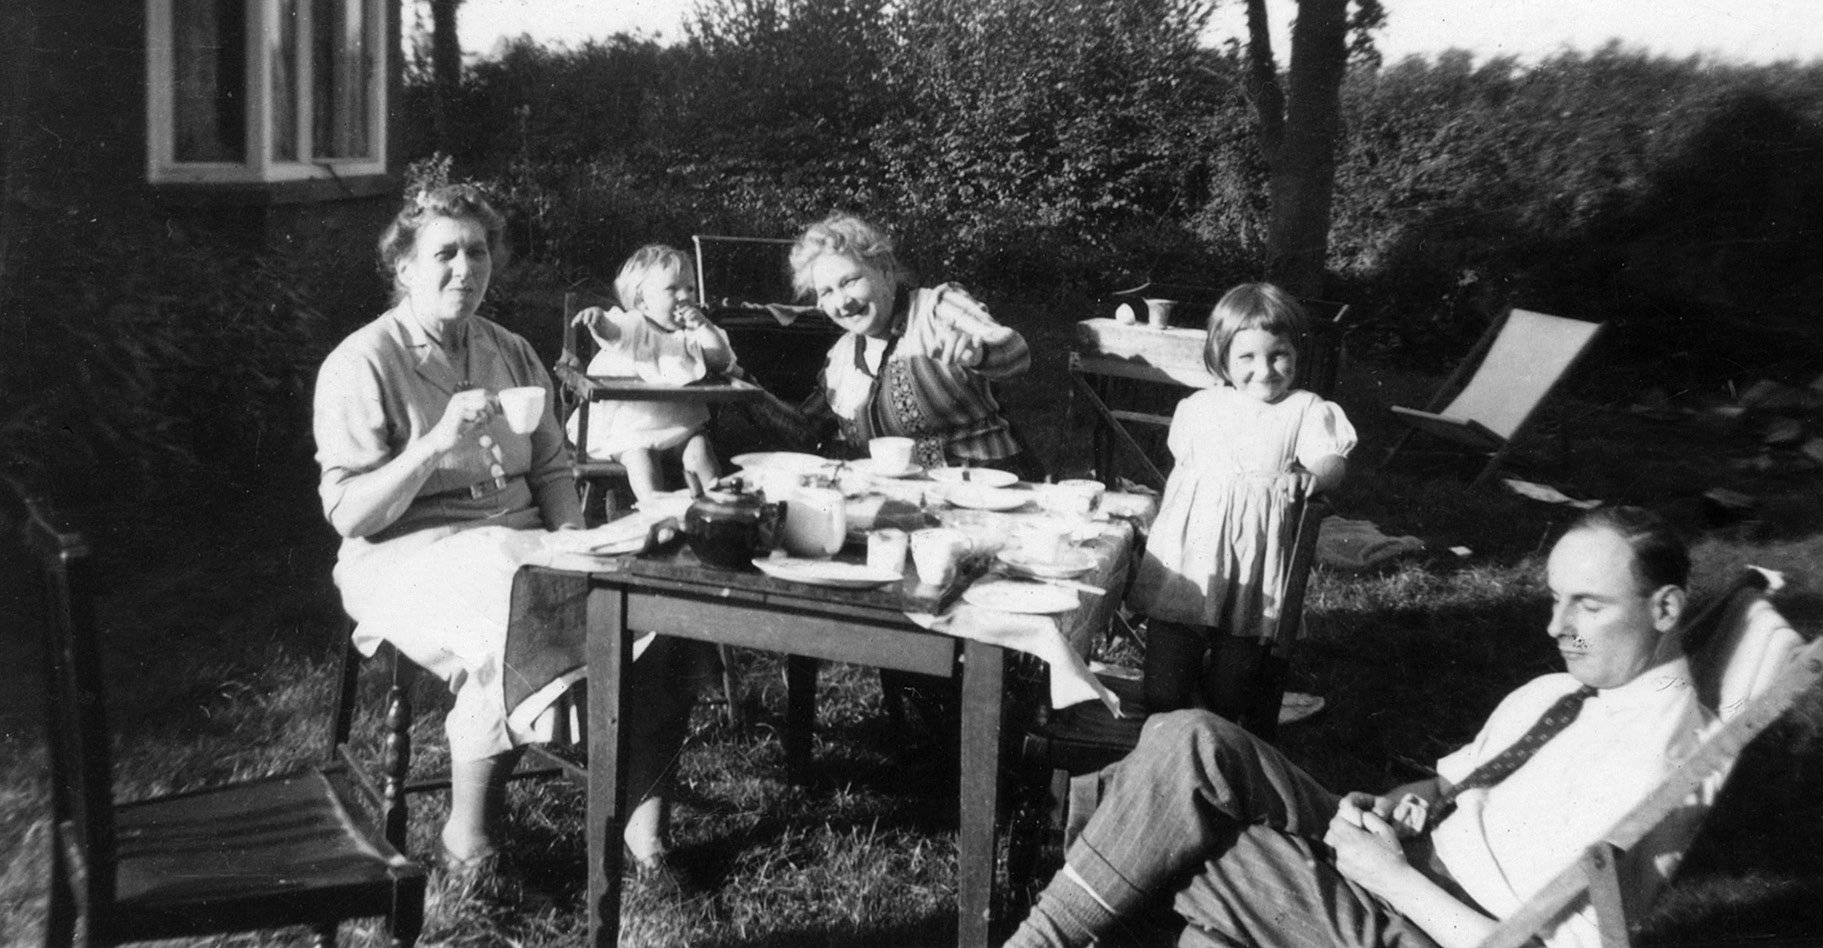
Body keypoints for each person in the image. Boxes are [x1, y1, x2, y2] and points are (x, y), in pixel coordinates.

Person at [1007, 505, 1714, 948]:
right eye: (1556, 600)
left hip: (1425, 926)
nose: (1557, 627)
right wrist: (1400, 805)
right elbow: (1448, 781)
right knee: (1190, 738)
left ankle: (1045, 922)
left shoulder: (1654, 766)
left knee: (1173, 828)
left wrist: (1388, 876)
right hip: (1398, 866)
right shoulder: (1564, 689)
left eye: (1587, 606)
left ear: (1665, 609)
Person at [313, 185, 704, 892]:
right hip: (405, 552)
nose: (465, 267)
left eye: (478, 250)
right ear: (403, 267)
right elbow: (349, 514)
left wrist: (575, 545)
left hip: (521, 539)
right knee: (517, 602)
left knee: (665, 603)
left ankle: (647, 840)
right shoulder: (363, 361)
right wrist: (434, 445)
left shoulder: (511, 351)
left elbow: (553, 468)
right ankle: (472, 839)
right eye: (445, 253)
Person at [1128, 282, 1357, 732]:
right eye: (1246, 357)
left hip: (1255, 570)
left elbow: (1333, 460)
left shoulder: (1304, 408)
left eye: (1278, 355)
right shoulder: (1198, 407)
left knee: (1230, 695)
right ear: (1221, 357)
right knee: (1163, 690)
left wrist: (1315, 477)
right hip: (1188, 561)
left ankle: (1212, 737)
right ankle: (1172, 730)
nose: (1265, 370)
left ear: (1296, 352)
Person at [779, 212, 1037, 479]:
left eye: (849, 281)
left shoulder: (936, 308)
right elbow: (805, 429)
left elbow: (1015, 352)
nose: (842, 302)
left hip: (984, 491)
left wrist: (980, 353)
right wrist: (744, 385)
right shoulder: (840, 358)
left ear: (885, 269)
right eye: (827, 292)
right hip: (904, 507)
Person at [568, 244, 737, 505]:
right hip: (633, 424)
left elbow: (722, 359)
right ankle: (655, 508)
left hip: (680, 422)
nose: (685, 296)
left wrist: (704, 327)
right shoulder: (635, 326)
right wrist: (599, 322)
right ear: (642, 302)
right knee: (639, 459)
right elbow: (614, 333)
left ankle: (715, 507)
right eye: (673, 289)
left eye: (690, 288)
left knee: (700, 451)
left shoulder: (692, 332)